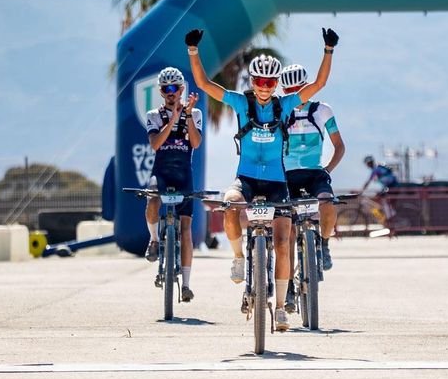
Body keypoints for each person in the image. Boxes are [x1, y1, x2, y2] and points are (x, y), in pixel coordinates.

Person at [185, 27, 338, 332]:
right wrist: (193, 50)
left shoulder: (285, 105)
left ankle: (280, 307)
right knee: (229, 206)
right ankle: (240, 258)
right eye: (260, 82)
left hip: (278, 183)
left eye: (270, 82)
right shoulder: (242, 104)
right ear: (252, 83)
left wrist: (328, 49)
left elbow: (319, 83)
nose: (265, 87)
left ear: (276, 84)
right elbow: (202, 83)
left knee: (283, 243)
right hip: (247, 180)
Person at [279, 63, 345, 302]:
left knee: (328, 202)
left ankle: (324, 245)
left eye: (299, 88)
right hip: (286, 175)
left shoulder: (322, 110)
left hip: (315, 172)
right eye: (288, 90)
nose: (294, 94)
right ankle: (286, 286)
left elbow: (339, 146)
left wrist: (327, 170)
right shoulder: (279, 111)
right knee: (286, 231)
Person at [142, 66, 203, 302]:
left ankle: (186, 284)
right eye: (166, 89)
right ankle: (155, 240)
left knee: (186, 228)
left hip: (183, 174)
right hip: (162, 173)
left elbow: (196, 143)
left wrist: (185, 116)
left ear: (181, 89)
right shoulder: (153, 115)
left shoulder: (194, 113)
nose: (171, 93)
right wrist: (173, 120)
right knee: (152, 199)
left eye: (175, 88)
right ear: (160, 91)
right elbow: (155, 144)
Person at [359, 155, 398, 227]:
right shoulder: (377, 168)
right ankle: (387, 216)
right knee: (379, 200)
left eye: (367, 164)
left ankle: (389, 217)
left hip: (391, 187)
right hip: (390, 187)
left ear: (369, 163)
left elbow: (367, 182)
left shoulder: (375, 170)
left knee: (383, 201)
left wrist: (361, 192)